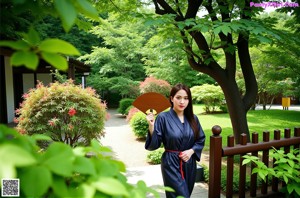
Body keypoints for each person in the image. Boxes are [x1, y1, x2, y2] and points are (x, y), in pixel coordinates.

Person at [145, 83, 206, 198]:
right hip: (171, 163)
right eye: (178, 98)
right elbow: (154, 144)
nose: (182, 102)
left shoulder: (193, 118)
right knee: (181, 196)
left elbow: (200, 139)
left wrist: (191, 151)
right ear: (172, 98)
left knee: (186, 193)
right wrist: (151, 126)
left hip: (189, 162)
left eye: (186, 98)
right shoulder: (163, 117)